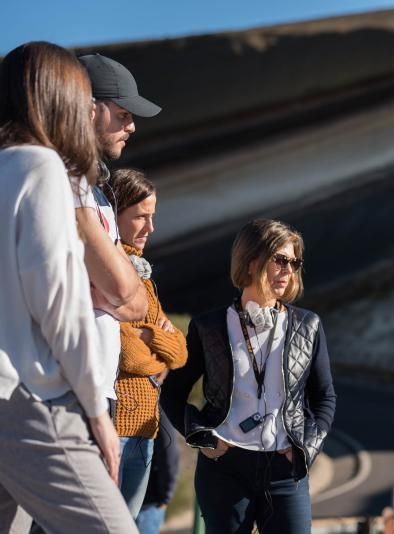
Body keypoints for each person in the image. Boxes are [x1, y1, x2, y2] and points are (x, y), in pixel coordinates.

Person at [0, 41, 137, 533]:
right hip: (28, 396)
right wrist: (98, 413)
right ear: (58, 97)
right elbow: (59, 302)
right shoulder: (41, 168)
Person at [162, 219, 337, 534]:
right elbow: (172, 393)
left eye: (294, 262)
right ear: (251, 261)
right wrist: (200, 436)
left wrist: (307, 447)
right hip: (225, 468)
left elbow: (325, 397)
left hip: (286, 470)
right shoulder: (209, 327)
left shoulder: (308, 326)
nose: (289, 270)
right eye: (280, 260)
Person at [73, 53, 162, 415]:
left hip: (101, 390)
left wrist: (111, 288)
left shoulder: (99, 196)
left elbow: (133, 301)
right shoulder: (58, 186)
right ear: (90, 110)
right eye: (123, 115)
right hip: (68, 390)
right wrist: (114, 288)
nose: (132, 127)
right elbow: (123, 292)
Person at [105, 168, 188, 518]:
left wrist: (150, 336)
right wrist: (159, 357)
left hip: (145, 430)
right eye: (140, 216)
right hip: (114, 429)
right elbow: (126, 355)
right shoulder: (106, 267)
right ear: (115, 212)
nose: (149, 228)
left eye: (152, 217)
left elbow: (180, 352)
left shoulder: (144, 279)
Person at [136, 407, 181, 534]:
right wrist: (166, 496)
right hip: (149, 499)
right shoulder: (157, 405)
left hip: (120, 495)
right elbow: (169, 451)